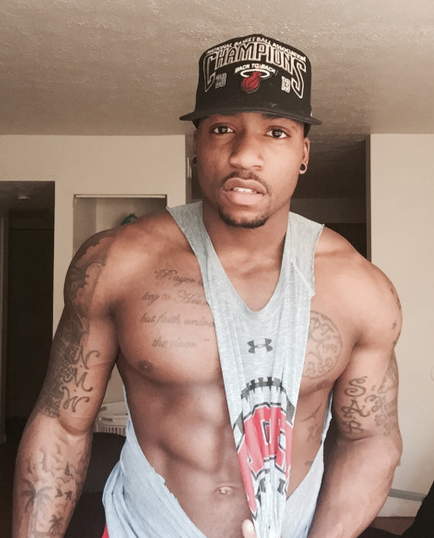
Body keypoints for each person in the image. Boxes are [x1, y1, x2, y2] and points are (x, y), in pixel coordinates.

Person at [13, 34, 402, 538]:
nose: (245, 155)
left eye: (276, 132)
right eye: (222, 129)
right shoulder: (117, 263)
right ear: (196, 145)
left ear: (304, 152)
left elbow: (370, 438)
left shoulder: (358, 289)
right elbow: (61, 426)